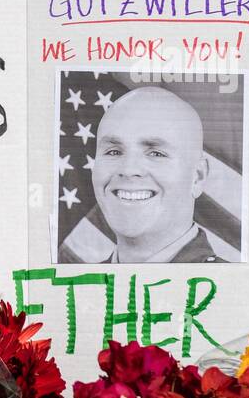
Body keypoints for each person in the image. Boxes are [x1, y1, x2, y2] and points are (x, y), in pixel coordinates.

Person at [81, 86, 228, 264]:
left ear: (197, 177)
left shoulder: (234, 289)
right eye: (113, 152)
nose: (128, 170)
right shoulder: (80, 287)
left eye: (156, 153)